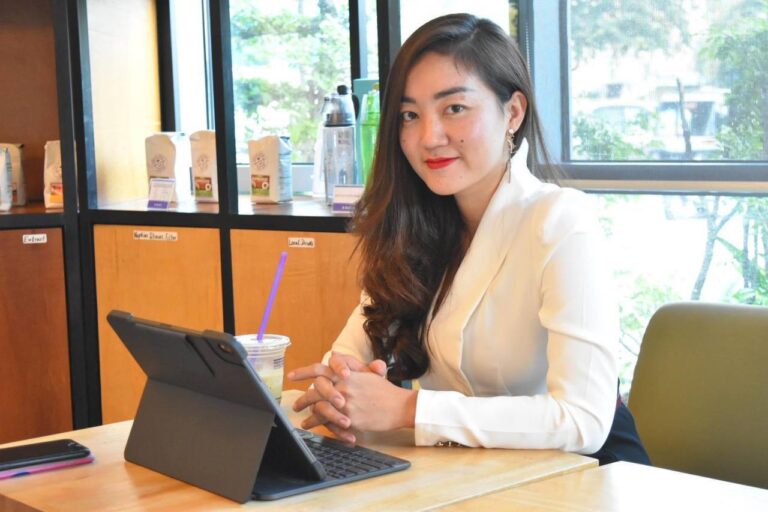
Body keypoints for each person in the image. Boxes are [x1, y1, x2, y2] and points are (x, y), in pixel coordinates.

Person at [288, 13, 649, 465]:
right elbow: (347, 360)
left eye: (454, 108)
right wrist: (338, 394)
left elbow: (582, 420)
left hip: (587, 473)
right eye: (409, 115)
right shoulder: (411, 230)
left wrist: (408, 409)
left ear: (512, 112)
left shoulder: (560, 220)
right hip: (472, 472)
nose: (428, 137)